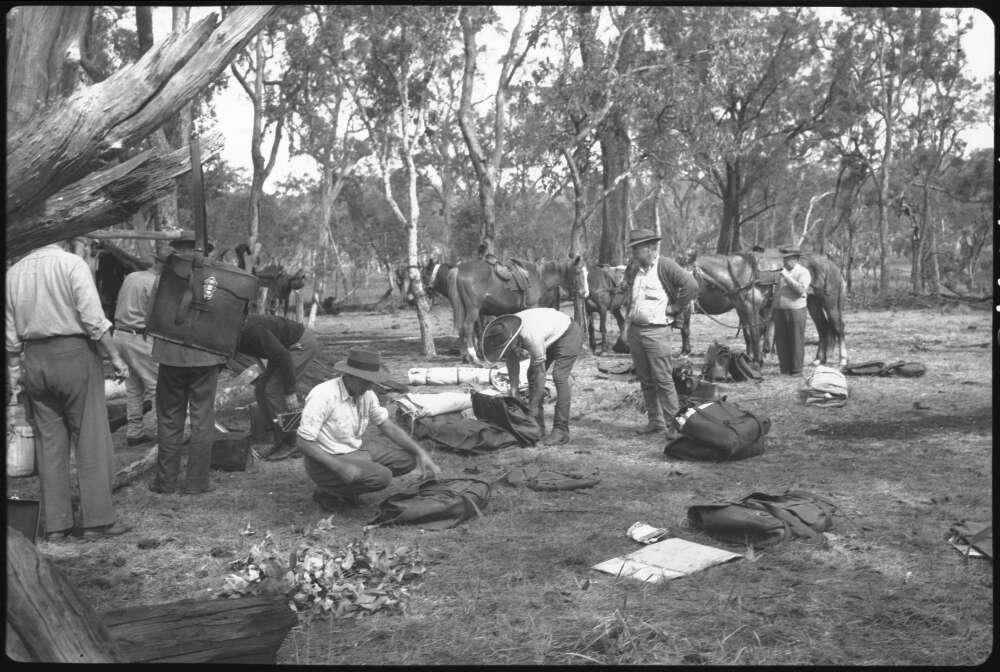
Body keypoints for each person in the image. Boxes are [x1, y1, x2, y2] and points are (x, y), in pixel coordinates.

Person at [5, 238, 132, 541]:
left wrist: (14, 375)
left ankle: (56, 526)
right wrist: (114, 356)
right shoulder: (72, 264)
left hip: (34, 359)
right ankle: (96, 521)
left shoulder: (14, 273)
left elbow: (10, 336)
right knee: (91, 437)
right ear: (65, 237)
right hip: (73, 354)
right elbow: (92, 319)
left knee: (49, 444)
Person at [296, 348, 441, 510]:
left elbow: (387, 426)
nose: (370, 386)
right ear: (349, 376)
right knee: (381, 476)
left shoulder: (367, 394)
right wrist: (339, 467)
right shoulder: (323, 395)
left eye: (372, 381)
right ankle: (328, 491)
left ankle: (346, 488)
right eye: (366, 381)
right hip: (324, 460)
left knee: (408, 459)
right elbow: (303, 442)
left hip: (354, 452)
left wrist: (421, 453)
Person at [149, 233, 224, 495]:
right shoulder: (218, 277)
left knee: (170, 418)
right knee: (203, 417)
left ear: (178, 249)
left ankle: (166, 481)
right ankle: (197, 483)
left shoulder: (165, 275)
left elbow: (153, 314)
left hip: (171, 355)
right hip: (206, 355)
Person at [620, 228, 699, 441]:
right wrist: (627, 328)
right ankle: (655, 421)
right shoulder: (635, 270)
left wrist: (675, 307)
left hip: (657, 332)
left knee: (663, 379)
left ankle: (675, 424)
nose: (634, 253)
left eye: (637, 249)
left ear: (650, 248)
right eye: (633, 249)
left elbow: (691, 285)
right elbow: (632, 299)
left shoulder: (665, 266)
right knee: (645, 379)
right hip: (636, 330)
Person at [481, 307, 583, 446]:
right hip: (550, 333)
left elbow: (540, 373)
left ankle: (561, 430)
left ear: (514, 338)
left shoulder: (530, 336)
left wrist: (532, 406)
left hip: (569, 332)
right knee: (531, 373)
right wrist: (514, 389)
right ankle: (537, 427)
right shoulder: (506, 330)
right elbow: (512, 359)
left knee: (559, 376)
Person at [235, 314, 318, 461]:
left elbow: (283, 356)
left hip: (300, 345)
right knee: (261, 389)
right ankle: (277, 436)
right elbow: (263, 352)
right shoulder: (231, 335)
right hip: (282, 350)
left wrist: (290, 390)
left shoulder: (252, 330)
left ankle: (293, 441)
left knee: (275, 390)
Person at [113, 248, 165, 447]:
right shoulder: (156, 282)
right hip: (138, 336)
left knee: (134, 387)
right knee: (157, 386)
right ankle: (163, 431)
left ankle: (135, 432)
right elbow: (157, 315)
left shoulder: (132, 276)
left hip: (119, 334)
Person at [772, 246, 812, 376]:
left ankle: (796, 370)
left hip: (796, 310)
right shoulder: (780, 272)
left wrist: (786, 277)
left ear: (795, 259)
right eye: (784, 259)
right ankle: (784, 369)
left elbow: (800, 290)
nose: (784, 262)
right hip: (779, 310)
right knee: (781, 341)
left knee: (796, 340)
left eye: (787, 259)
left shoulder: (803, 272)